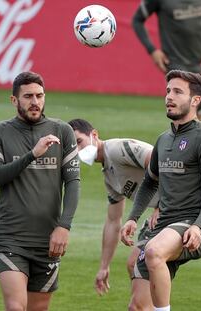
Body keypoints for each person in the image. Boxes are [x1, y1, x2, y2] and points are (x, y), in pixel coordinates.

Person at [121, 70, 201, 311]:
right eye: (168, 91)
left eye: (177, 92)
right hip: (163, 224)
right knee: (137, 305)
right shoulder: (163, 140)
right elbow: (149, 182)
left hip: (194, 224)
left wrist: (199, 226)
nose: (169, 96)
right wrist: (133, 218)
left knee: (154, 252)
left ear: (195, 100)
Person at [0, 71, 80, 311]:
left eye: (39, 95)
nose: (35, 102)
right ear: (14, 100)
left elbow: (73, 183)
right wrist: (32, 155)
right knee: (16, 308)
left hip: (48, 241)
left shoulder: (62, 131)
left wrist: (64, 226)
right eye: (28, 96)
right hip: (11, 239)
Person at [68, 118, 159, 297]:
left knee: (137, 263)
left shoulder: (117, 150)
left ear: (94, 135)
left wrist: (163, 206)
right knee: (135, 266)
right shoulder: (109, 175)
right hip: (167, 210)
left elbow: (160, 161)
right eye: (72, 147)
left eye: (79, 141)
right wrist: (104, 266)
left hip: (178, 205)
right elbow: (113, 221)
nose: (77, 150)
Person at [132, 0, 201, 120]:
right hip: (175, 62)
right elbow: (137, 20)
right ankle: (181, 137)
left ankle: (191, 138)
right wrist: (152, 50)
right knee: (183, 112)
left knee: (198, 115)